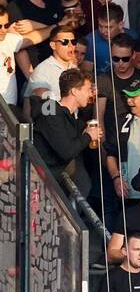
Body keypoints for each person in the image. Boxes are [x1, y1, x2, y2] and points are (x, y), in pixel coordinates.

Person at [31, 68, 100, 196]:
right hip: (36, 183)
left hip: (50, 182)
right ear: (74, 91)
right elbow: (67, 151)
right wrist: (88, 136)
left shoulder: (71, 117)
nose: (91, 94)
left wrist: (88, 133)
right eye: (87, 90)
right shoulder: (51, 113)